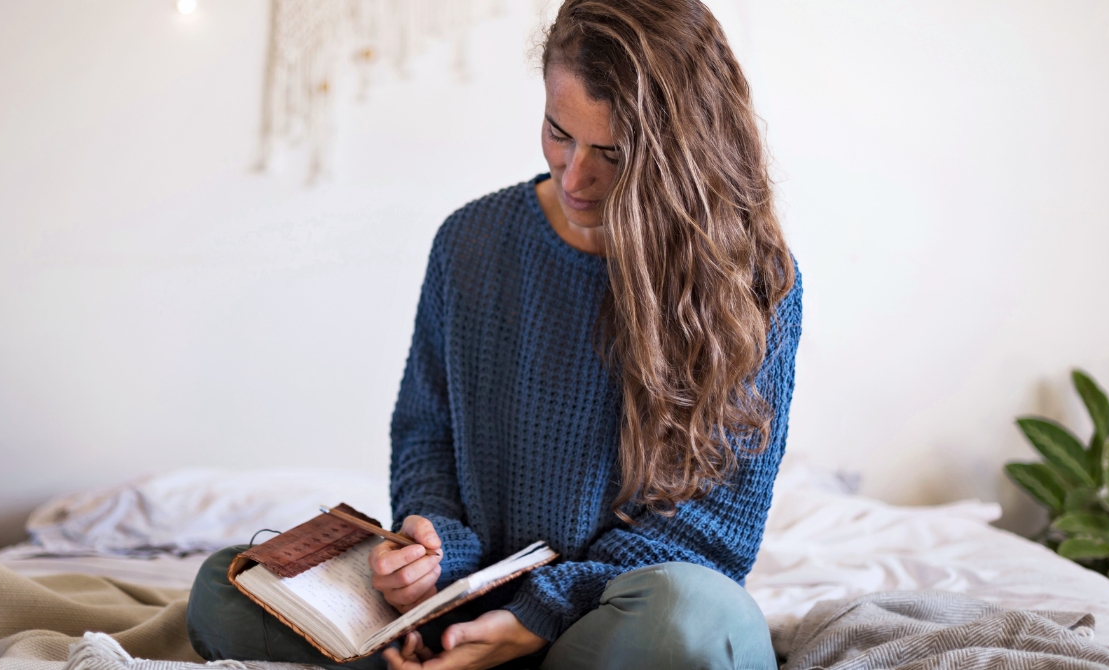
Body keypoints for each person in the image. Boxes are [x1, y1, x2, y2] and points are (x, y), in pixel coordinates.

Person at [186, 0, 802, 668]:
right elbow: (426, 434)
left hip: (608, 616)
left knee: (693, 620)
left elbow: (711, 536)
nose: (575, 177)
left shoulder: (749, 281)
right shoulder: (469, 242)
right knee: (230, 585)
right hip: (467, 608)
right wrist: (431, 545)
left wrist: (536, 617)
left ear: (684, 153)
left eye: (613, 154)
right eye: (558, 132)